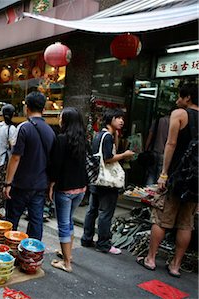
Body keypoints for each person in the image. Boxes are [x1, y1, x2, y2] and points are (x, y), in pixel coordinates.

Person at [137, 83, 198, 278]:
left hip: (176, 177)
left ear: (187, 97)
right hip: (195, 181)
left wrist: (164, 173)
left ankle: (151, 258)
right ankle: (175, 266)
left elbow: (170, 143)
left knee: (162, 218)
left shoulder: (179, 114)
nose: (177, 100)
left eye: (180, 96)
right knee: (186, 223)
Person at [81, 108, 135, 254]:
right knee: (105, 212)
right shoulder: (107, 137)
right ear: (110, 119)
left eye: (122, 118)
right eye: (118, 118)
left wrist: (116, 136)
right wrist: (124, 155)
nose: (121, 121)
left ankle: (86, 238)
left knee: (92, 210)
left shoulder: (99, 135)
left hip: (97, 179)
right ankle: (103, 243)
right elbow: (108, 158)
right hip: (107, 182)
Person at [3, 91, 56, 240]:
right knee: (36, 220)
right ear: (43, 109)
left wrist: (7, 183)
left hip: (20, 183)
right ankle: (32, 255)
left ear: (27, 108)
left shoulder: (24, 128)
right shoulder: (51, 132)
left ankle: (9, 252)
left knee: (12, 220)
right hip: (40, 185)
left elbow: (15, 158)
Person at [48, 107, 87, 273]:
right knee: (69, 221)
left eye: (60, 117)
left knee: (64, 224)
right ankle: (68, 254)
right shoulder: (83, 139)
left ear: (66, 120)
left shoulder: (61, 139)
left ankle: (66, 263)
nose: (59, 119)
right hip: (81, 188)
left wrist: (50, 185)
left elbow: (55, 166)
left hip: (64, 188)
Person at [144, 113, 170, 185]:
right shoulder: (173, 122)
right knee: (161, 174)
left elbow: (150, 135)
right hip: (165, 152)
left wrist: (146, 149)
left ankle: (148, 190)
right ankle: (156, 192)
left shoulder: (157, 121)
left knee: (151, 173)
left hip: (154, 150)